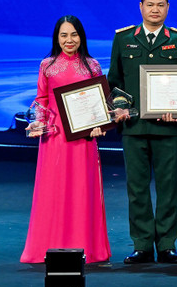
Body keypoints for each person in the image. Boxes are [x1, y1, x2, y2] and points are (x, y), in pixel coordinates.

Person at [108, 0, 177, 264]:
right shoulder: (123, 39)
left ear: (168, 8)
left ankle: (167, 244)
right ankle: (142, 245)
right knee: (137, 188)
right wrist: (119, 108)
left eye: (160, 5)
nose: (155, 10)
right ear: (141, 7)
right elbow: (114, 82)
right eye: (150, 5)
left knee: (169, 188)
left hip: (169, 127)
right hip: (133, 128)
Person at [21, 15, 111, 264]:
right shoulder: (47, 65)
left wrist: (99, 125)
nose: (69, 40)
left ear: (81, 36)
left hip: (84, 139)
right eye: (64, 35)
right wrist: (38, 121)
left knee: (82, 189)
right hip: (55, 137)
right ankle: (47, 246)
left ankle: (87, 247)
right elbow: (41, 100)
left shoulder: (92, 65)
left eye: (74, 34)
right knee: (54, 190)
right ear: (56, 38)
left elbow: (99, 103)